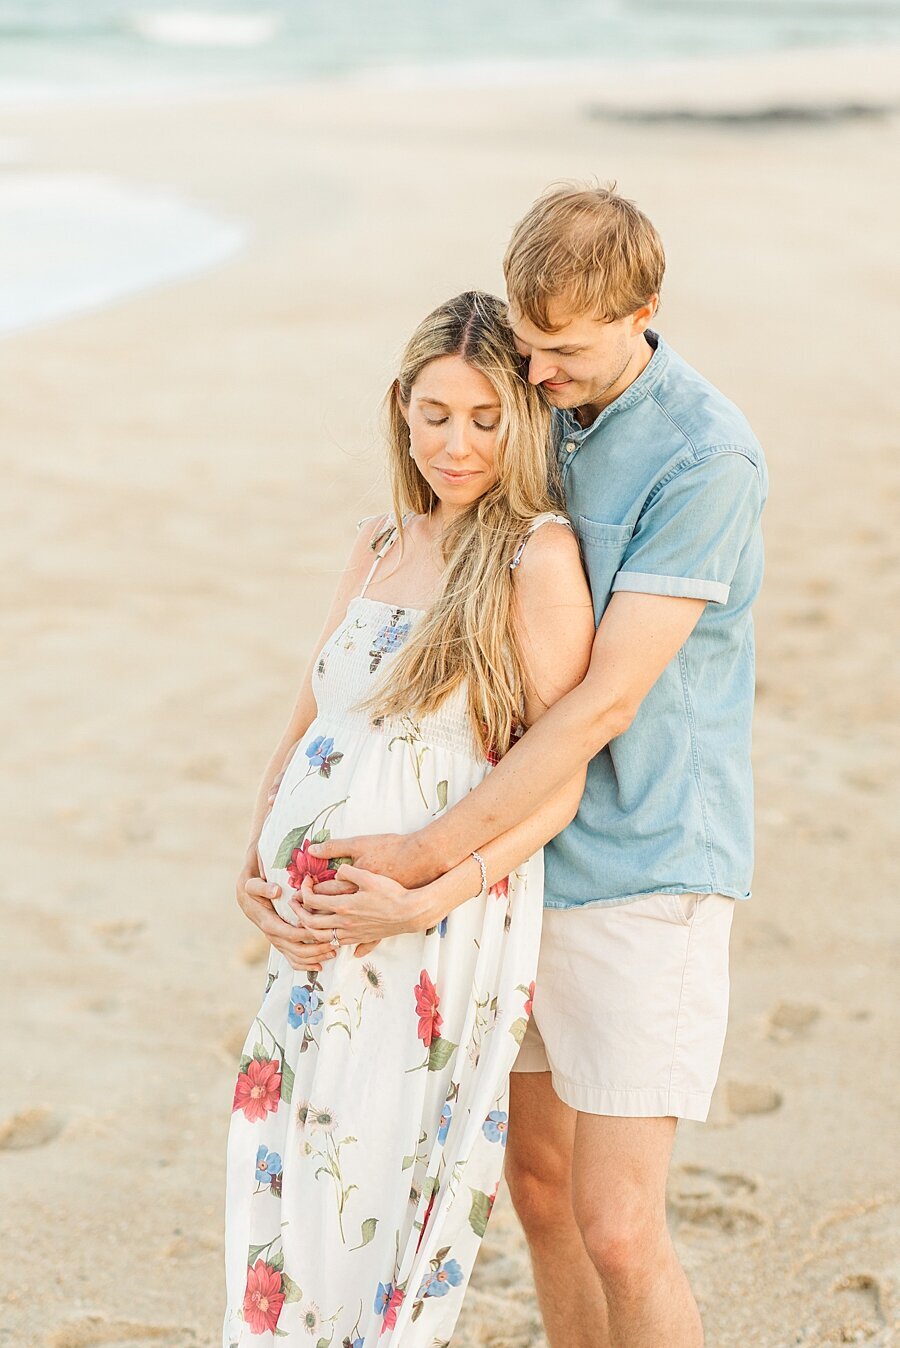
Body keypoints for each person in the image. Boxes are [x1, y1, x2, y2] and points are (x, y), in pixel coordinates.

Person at [244, 184, 768, 1348]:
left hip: (644, 863)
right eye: (526, 348)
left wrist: (424, 863)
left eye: (559, 354)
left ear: (645, 311)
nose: (535, 376)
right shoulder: (549, 405)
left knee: (621, 1222)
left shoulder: (705, 459)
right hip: (519, 870)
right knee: (536, 1191)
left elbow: (600, 706)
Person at [224, 290, 595, 1346]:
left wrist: (423, 896)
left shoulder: (535, 557)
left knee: (386, 1199)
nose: (457, 443)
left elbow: (555, 782)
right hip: (308, 939)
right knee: (291, 1187)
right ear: (401, 409)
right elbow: (311, 721)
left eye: (485, 418)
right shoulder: (382, 539)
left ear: (521, 419)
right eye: (435, 413)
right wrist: (253, 863)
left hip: (436, 931)